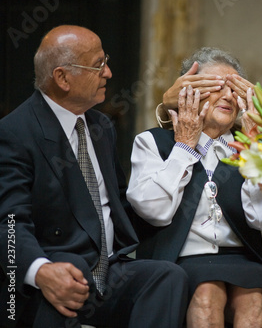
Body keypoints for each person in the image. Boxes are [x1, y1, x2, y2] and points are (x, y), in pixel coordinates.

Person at [0, 25, 188, 328]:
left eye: (107, 61)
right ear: (62, 78)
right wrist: (40, 271)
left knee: (167, 276)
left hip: (109, 271)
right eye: (98, 65)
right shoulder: (15, 133)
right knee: (70, 268)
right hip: (58, 274)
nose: (109, 73)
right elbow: (9, 223)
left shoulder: (101, 126)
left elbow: (123, 205)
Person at [126, 47, 262, 328]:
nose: (227, 96)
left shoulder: (249, 143)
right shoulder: (153, 143)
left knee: (253, 304)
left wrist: (257, 152)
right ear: (187, 92)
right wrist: (185, 147)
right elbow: (154, 211)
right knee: (206, 296)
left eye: (234, 90)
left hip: (243, 258)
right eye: (216, 87)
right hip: (180, 260)